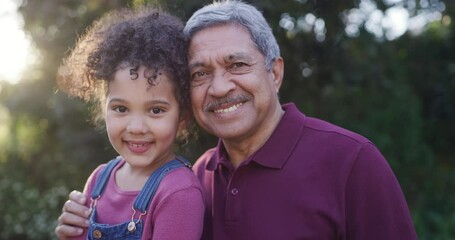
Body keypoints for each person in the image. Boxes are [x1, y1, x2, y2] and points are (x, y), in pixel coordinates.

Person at [56, 1, 418, 239]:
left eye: (237, 65)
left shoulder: (351, 162)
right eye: (200, 74)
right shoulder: (200, 175)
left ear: (274, 72)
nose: (219, 87)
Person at [55, 6, 204, 240]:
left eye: (155, 110)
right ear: (103, 109)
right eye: (121, 109)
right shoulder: (99, 180)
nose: (136, 127)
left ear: (183, 116)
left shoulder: (179, 193)